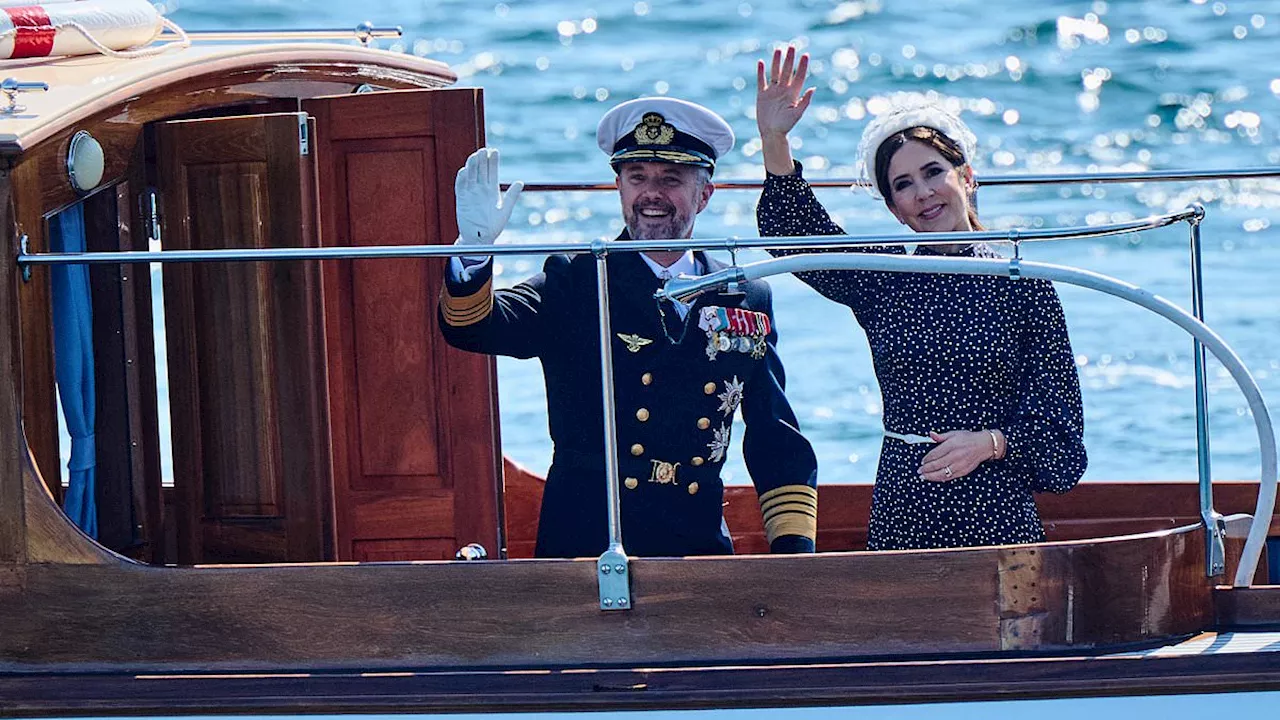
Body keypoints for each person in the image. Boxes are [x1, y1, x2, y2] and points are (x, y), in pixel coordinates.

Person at [438, 97, 819, 559]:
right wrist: (475, 252)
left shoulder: (745, 294)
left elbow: (774, 435)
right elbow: (474, 327)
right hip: (586, 544)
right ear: (619, 188)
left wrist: (795, 555)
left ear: (704, 194)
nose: (651, 194)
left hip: (697, 545)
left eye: (671, 179)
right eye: (637, 178)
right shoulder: (576, 280)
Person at [753, 46, 1086, 550]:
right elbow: (797, 231)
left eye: (933, 172)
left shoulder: (1024, 283)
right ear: (894, 209)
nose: (923, 193)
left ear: (966, 177)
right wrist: (774, 139)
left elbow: (1062, 435)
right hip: (904, 503)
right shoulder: (887, 276)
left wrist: (990, 444)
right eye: (903, 185)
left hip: (996, 508)